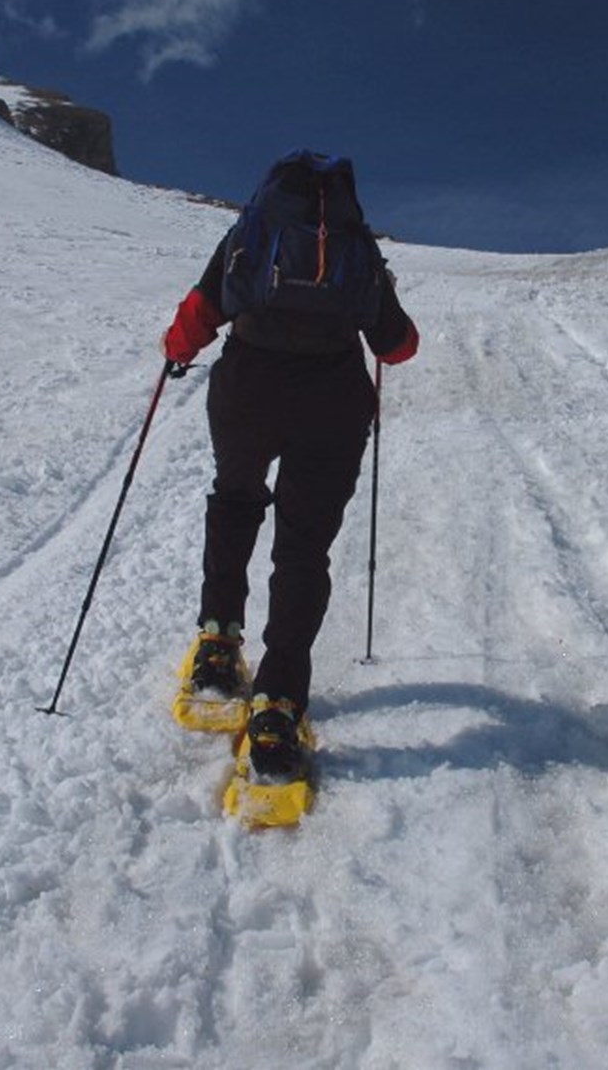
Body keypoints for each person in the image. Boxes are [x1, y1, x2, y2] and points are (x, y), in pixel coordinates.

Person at [161, 156, 419, 782]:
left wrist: (176, 352)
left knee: (236, 499)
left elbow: (200, 311)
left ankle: (218, 642)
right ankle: (277, 704)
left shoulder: (251, 232)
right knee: (303, 549)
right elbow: (398, 346)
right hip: (332, 402)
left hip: (247, 387)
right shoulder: (357, 245)